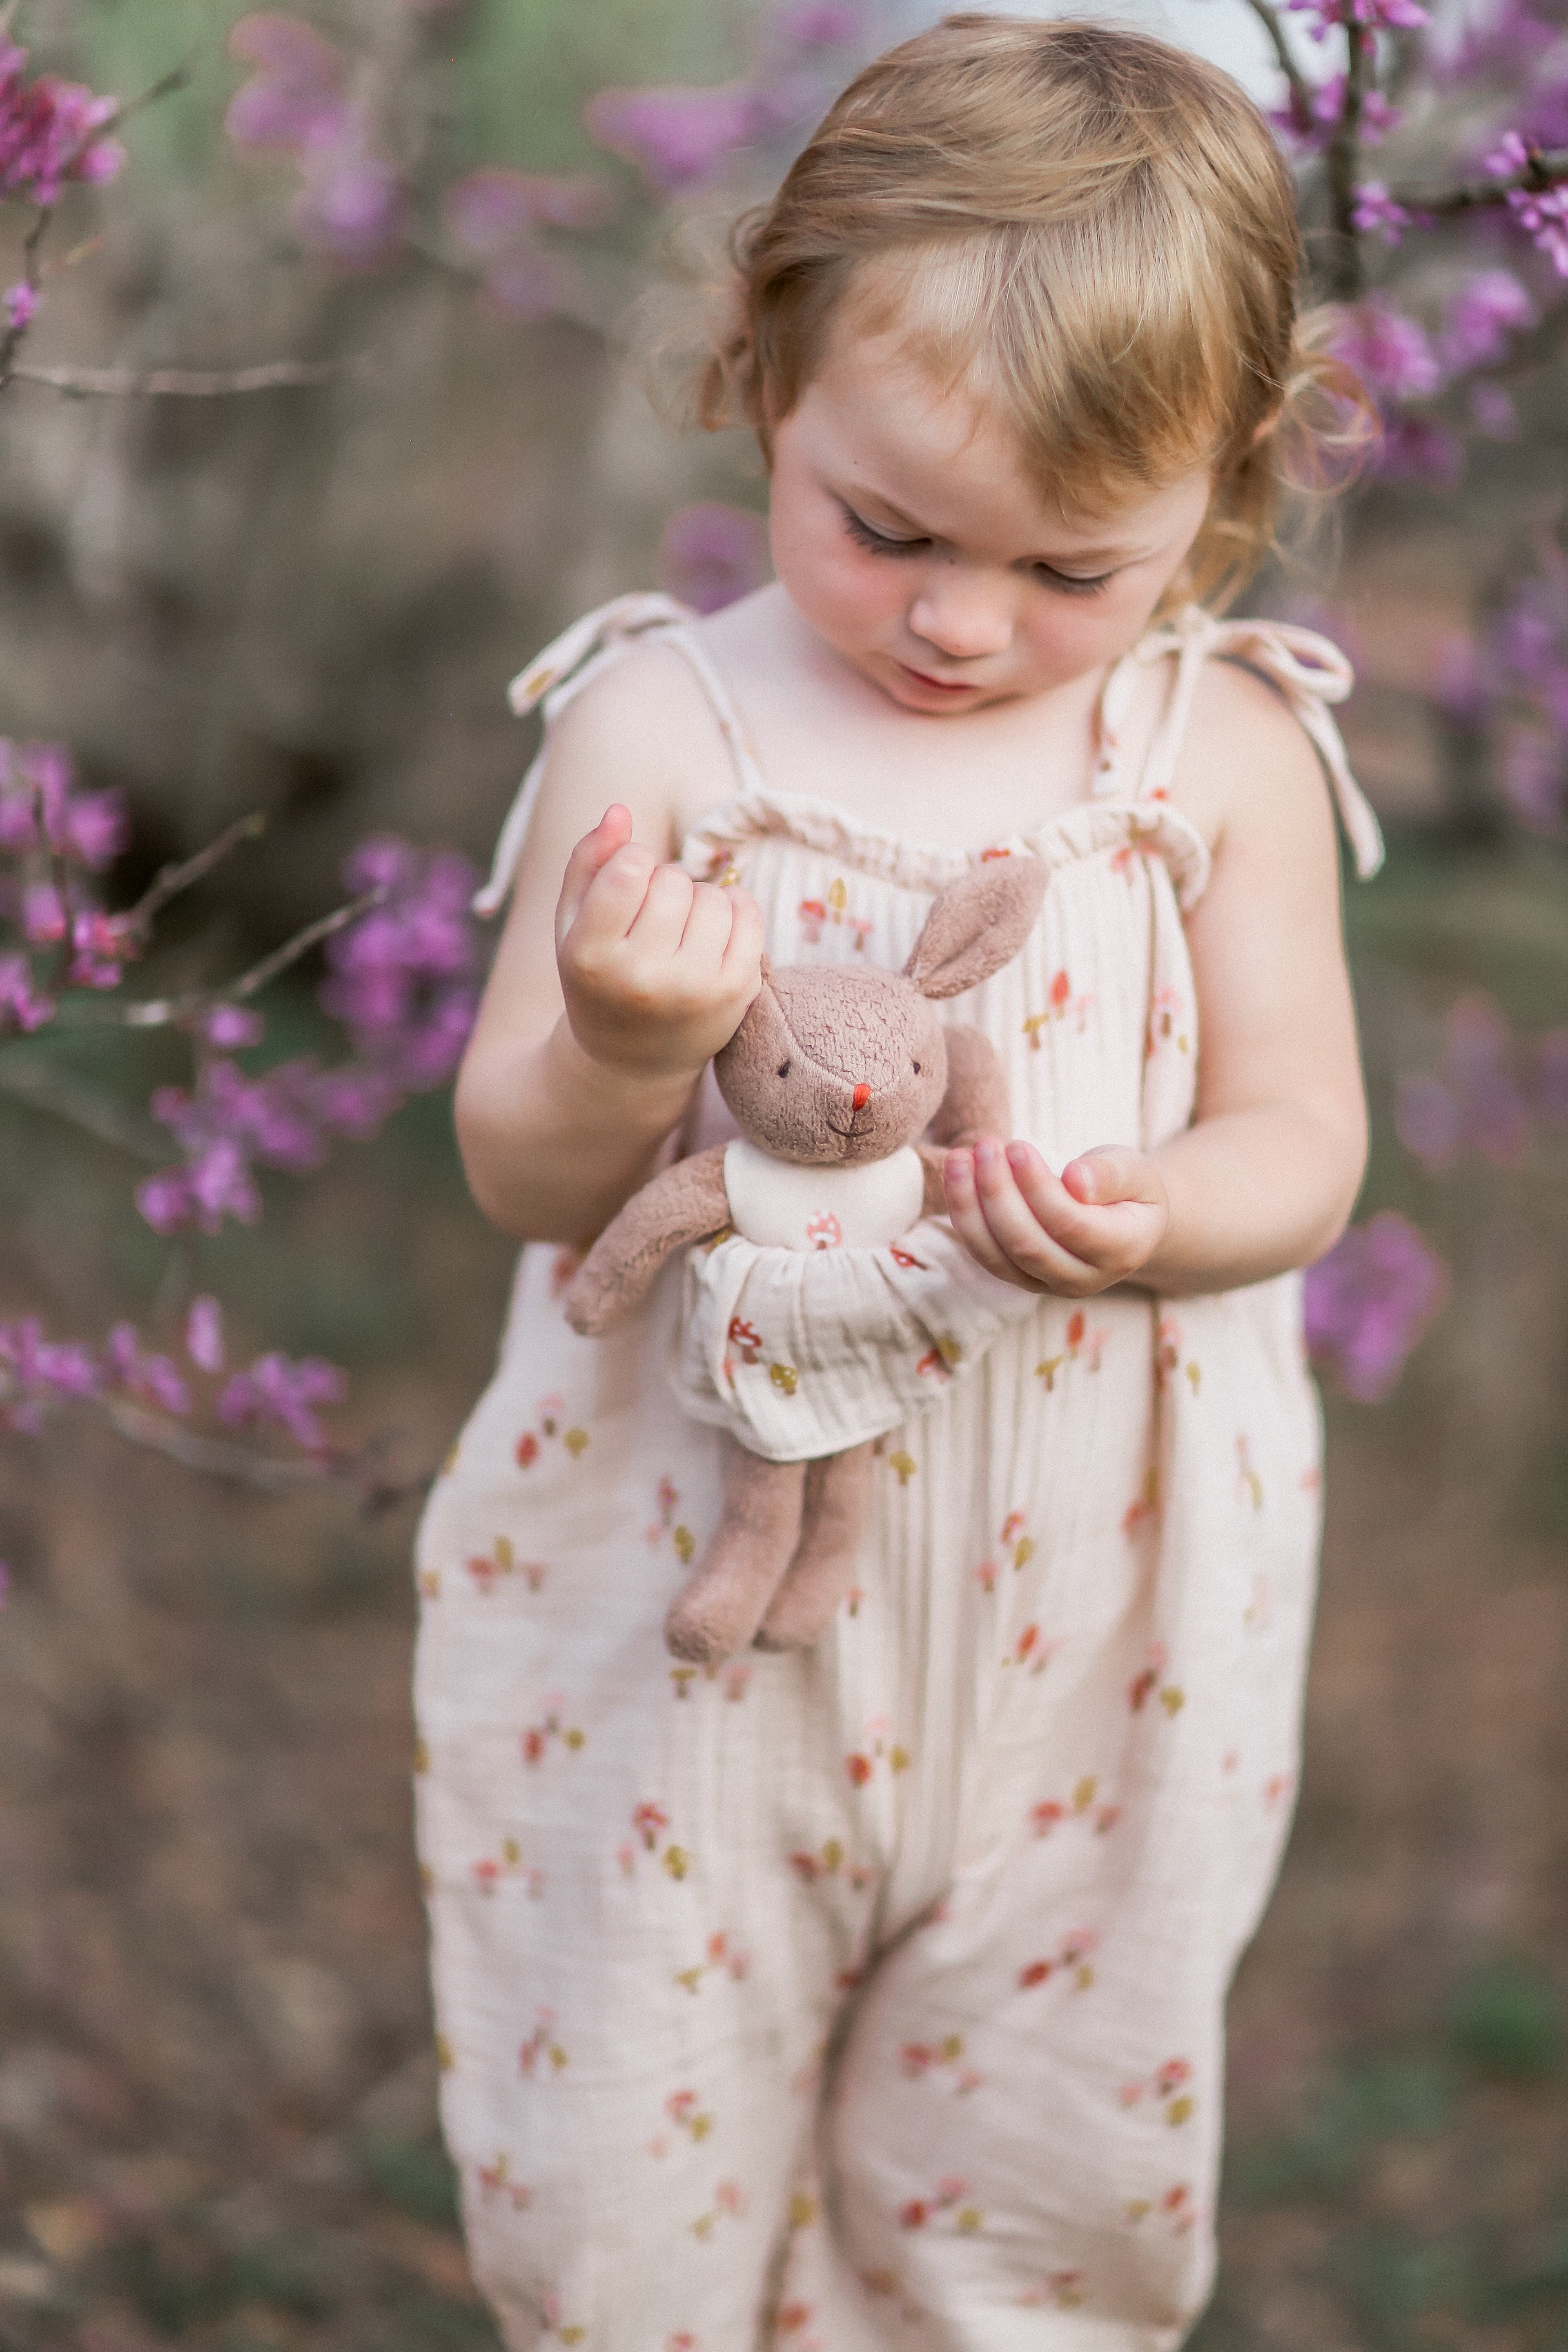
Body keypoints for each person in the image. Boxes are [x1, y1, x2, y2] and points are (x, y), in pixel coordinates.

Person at [414, 16, 1383, 2347]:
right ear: (761, 369)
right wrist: (628, 1040)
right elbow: (526, 1173)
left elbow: (1308, 1140)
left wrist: (1158, 1210)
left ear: (1225, 491)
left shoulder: (1218, 746)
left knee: (1039, 2200)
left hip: (1108, 1636)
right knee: (621, 2182)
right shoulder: (665, 728)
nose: (961, 622)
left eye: (1071, 564)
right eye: (889, 528)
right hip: (675, 1620)